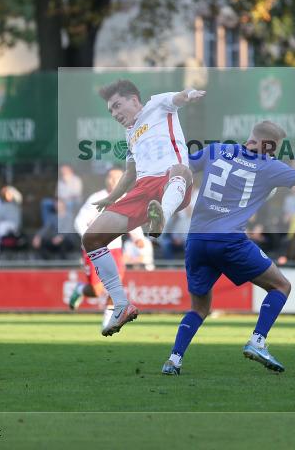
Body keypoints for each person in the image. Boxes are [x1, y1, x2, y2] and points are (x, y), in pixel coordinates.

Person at [161, 121, 295, 376]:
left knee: (199, 309)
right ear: (264, 144)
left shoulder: (215, 150)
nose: (272, 153)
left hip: (197, 241)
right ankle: (257, 341)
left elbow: (182, 169)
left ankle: (174, 360)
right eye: (272, 148)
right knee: (281, 286)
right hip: (229, 242)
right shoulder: (270, 166)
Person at [80, 79, 205, 336]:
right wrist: (111, 198)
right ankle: (122, 305)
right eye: (110, 111)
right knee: (91, 238)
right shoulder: (130, 134)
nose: (114, 114)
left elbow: (179, 97)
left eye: (117, 106)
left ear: (134, 100)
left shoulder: (157, 104)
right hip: (143, 190)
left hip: (172, 181)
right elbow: (129, 173)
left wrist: (191, 93)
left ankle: (161, 216)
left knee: (181, 169)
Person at [69, 166, 148, 330]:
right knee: (96, 291)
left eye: (117, 178)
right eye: (110, 177)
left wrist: (138, 238)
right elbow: (79, 221)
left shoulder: (127, 199)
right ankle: (80, 289)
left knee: (116, 285)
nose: (113, 181)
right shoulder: (97, 198)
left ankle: (108, 321)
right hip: (95, 250)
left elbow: (131, 220)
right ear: (106, 180)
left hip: (115, 249)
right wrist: (89, 240)